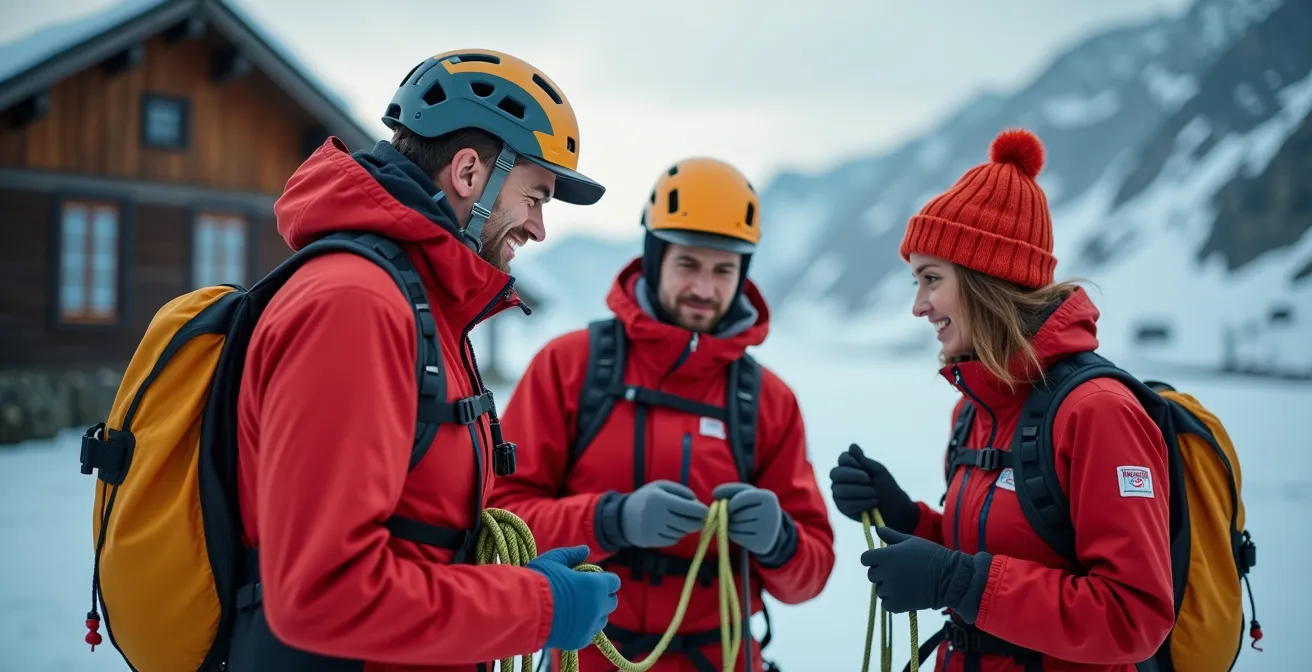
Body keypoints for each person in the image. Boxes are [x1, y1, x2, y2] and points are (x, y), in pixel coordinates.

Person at [230, 49, 621, 671]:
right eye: (536, 196)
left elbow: (414, 534)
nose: (539, 228)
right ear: (469, 173)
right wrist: (538, 608)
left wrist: (512, 579)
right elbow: (322, 594)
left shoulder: (421, 301)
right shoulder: (354, 306)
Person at [830, 128, 1175, 672]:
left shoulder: (1099, 412)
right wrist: (906, 516)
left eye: (931, 279)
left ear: (983, 279)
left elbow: (1134, 618)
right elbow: (1001, 548)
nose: (918, 306)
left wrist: (957, 581)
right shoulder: (974, 409)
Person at [489, 157, 836, 672]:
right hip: (590, 658)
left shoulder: (768, 400)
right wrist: (609, 520)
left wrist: (780, 538)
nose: (704, 288)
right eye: (688, 265)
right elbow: (503, 527)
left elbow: (809, 574)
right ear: (654, 259)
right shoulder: (569, 367)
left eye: (724, 270)